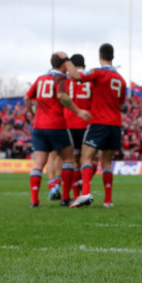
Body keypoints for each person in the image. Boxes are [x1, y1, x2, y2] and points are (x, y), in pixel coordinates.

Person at [24, 52, 92, 207]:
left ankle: (34, 200)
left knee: (39, 164)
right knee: (68, 158)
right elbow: (62, 96)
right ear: (63, 64)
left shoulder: (40, 79)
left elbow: (27, 98)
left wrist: (33, 113)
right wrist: (79, 111)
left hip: (38, 126)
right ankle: (65, 197)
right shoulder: (61, 79)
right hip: (56, 124)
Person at [66, 43, 126, 208]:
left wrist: (66, 60)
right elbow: (121, 106)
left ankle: (85, 193)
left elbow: (77, 77)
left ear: (100, 56)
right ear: (112, 57)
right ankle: (108, 201)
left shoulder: (97, 73)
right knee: (106, 162)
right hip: (115, 124)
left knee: (86, 157)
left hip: (99, 122)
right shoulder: (121, 80)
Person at [63, 53, 96, 204]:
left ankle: (75, 195)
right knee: (90, 159)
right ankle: (85, 183)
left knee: (74, 159)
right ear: (84, 65)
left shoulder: (67, 79)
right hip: (88, 122)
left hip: (70, 122)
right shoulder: (91, 78)